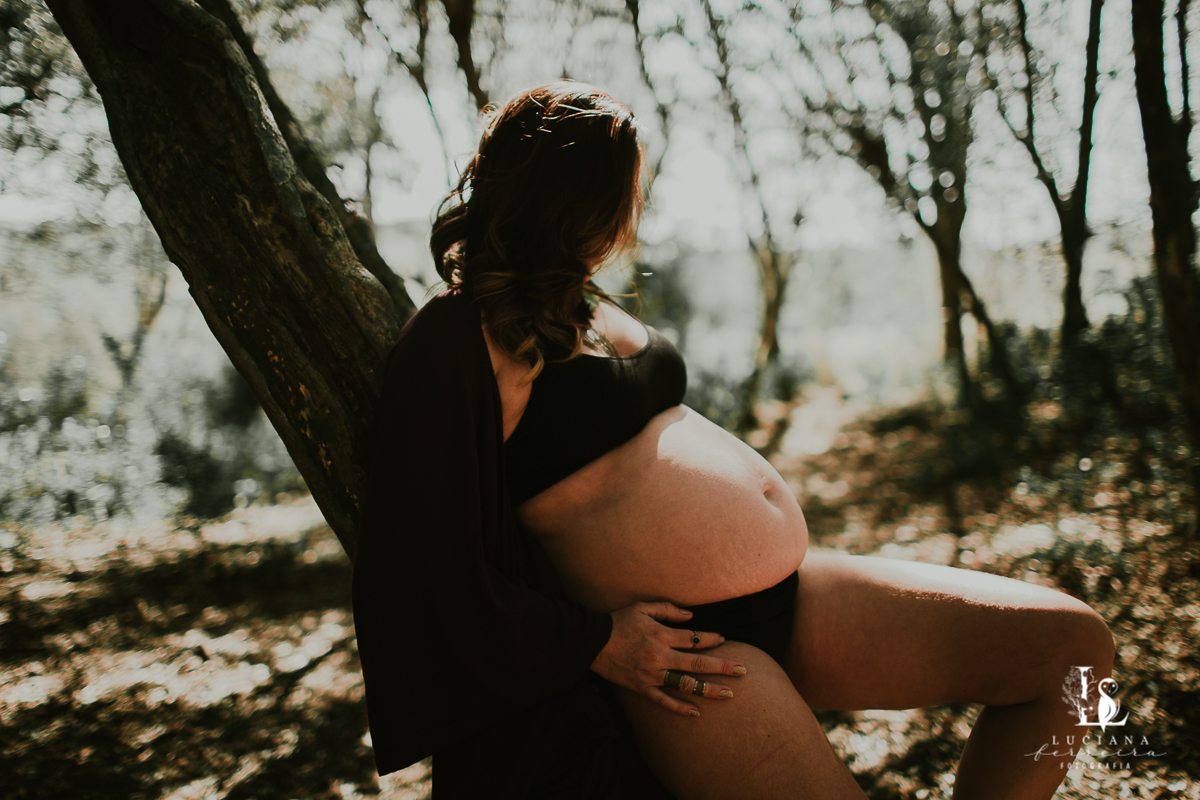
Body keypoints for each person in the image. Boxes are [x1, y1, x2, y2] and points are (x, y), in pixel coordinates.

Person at [352, 81, 1116, 800]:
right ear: (574, 197)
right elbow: (425, 566)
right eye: (623, 190)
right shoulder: (460, 339)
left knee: (1070, 653)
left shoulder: (578, 301)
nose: (632, 211)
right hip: (693, 654)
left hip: (796, 595)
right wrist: (596, 643)